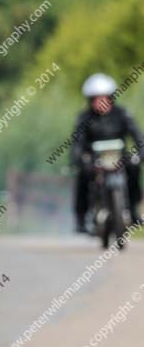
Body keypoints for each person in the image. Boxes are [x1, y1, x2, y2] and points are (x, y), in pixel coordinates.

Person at [71, 73, 143, 232]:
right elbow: (77, 143)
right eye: (96, 98)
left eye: (104, 97)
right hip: (95, 160)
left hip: (120, 158)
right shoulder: (84, 118)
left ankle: (133, 210)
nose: (100, 102)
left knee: (134, 168)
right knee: (82, 175)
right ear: (90, 100)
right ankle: (81, 218)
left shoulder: (122, 114)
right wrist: (80, 159)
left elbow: (138, 136)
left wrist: (140, 153)